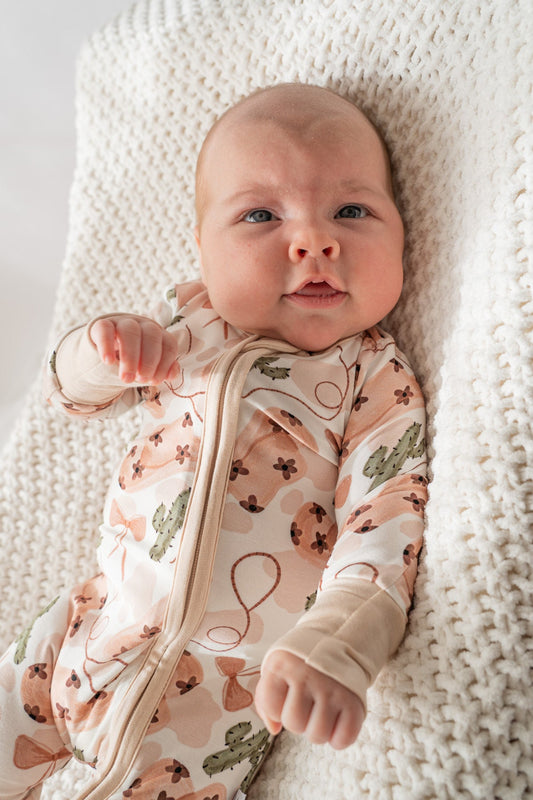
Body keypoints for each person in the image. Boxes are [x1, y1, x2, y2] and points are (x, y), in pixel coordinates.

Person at [0, 83, 427, 800]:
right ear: (202, 249)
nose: (313, 241)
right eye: (261, 215)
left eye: (351, 211)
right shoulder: (186, 321)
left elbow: (384, 522)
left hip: (214, 699)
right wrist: (100, 352)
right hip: (85, 627)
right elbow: (69, 395)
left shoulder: (374, 379)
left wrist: (341, 643)